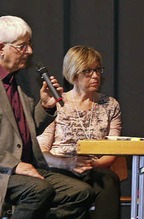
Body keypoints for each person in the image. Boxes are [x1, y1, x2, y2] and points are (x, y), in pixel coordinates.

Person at [0, 15, 95, 218]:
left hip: (26, 167)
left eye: (29, 44)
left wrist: (45, 106)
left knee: (80, 193)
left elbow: (28, 129)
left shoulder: (20, 81)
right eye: (22, 46)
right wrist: (14, 165)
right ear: (1, 48)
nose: (30, 51)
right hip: (4, 169)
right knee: (39, 191)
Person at [37, 45, 122, 219]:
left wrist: (90, 165)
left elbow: (113, 150)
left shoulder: (110, 104)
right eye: (88, 71)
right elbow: (41, 153)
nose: (96, 75)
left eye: (98, 70)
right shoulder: (57, 103)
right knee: (74, 190)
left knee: (108, 180)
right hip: (60, 166)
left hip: (95, 167)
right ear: (74, 74)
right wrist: (68, 163)